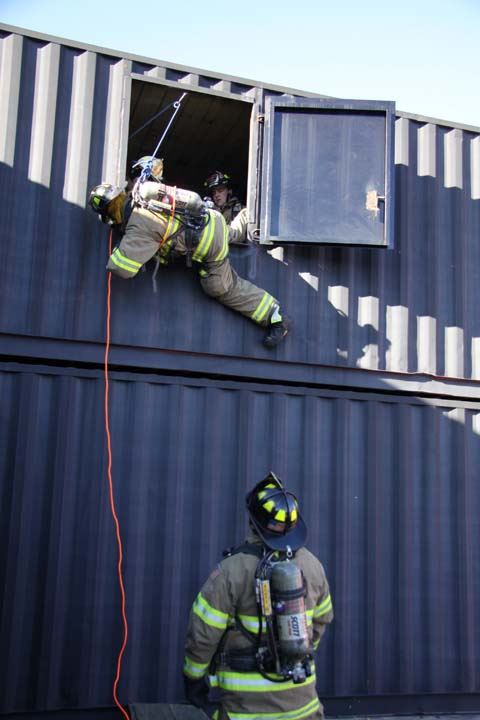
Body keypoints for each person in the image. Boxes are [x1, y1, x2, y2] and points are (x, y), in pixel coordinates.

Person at [183, 473, 334, 720]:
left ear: (253, 522)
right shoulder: (313, 566)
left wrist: (193, 678)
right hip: (304, 710)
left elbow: (202, 634)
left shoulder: (231, 571)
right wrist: (297, 651)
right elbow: (322, 619)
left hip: (246, 711)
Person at [88, 173, 290, 348]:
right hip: (214, 219)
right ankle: (248, 213)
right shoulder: (145, 190)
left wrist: (117, 247)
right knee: (232, 233)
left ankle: (275, 316)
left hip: (208, 246)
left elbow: (121, 269)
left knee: (218, 287)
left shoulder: (136, 231)